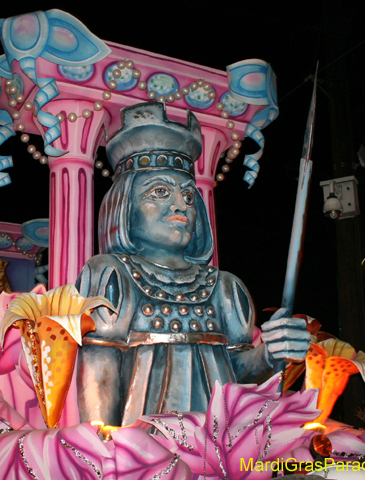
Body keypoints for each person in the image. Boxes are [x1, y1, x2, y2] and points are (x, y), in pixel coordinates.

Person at [76, 102, 310, 427]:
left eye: (188, 196)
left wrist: (271, 353)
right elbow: (99, 370)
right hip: (144, 450)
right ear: (123, 204)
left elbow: (240, 371)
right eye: (160, 191)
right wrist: (103, 448)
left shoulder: (225, 286)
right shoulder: (111, 275)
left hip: (221, 441)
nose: (180, 205)